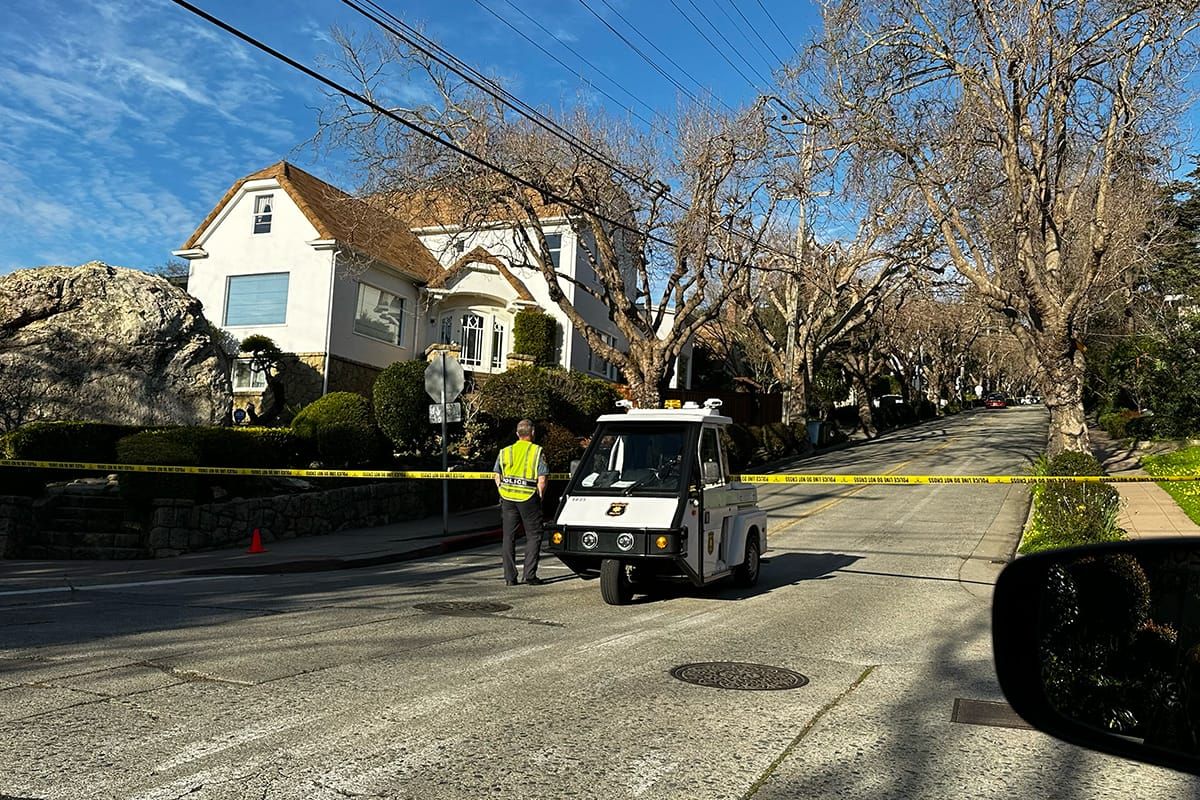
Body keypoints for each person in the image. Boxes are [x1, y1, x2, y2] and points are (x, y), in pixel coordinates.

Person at [493, 418, 549, 586]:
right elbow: (542, 479)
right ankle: (529, 575)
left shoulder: (505, 451)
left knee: (508, 537)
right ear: (532, 433)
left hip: (508, 497)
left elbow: (497, 475)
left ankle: (510, 577)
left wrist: (502, 491)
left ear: (517, 434)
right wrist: (540, 495)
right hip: (528, 498)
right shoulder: (537, 451)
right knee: (534, 535)